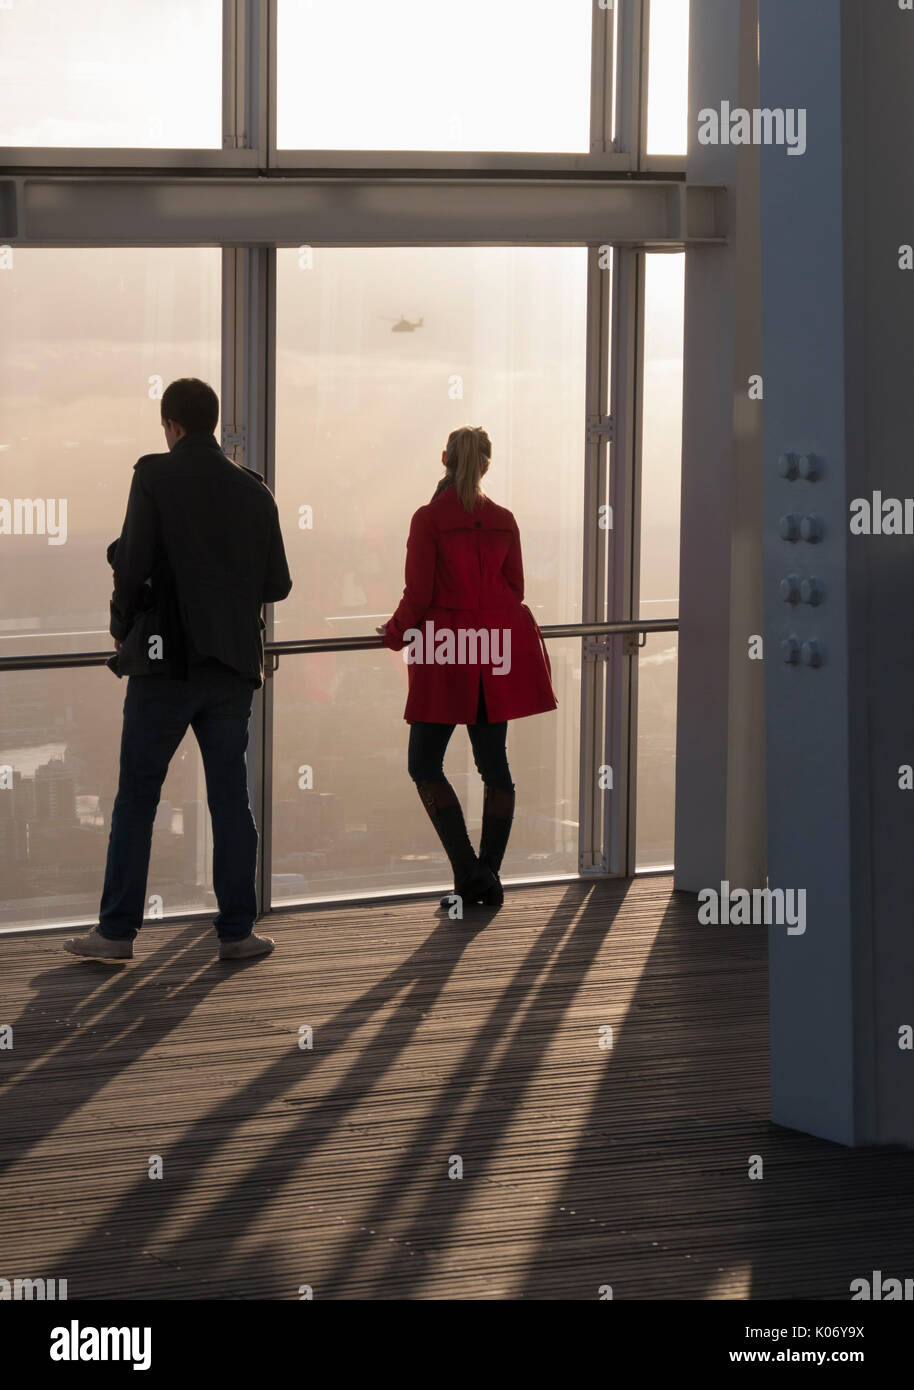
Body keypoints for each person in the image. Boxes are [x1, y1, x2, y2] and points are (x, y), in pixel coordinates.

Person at [65, 378, 292, 964]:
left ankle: (116, 935)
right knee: (230, 800)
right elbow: (277, 585)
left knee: (137, 798)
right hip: (231, 666)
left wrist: (120, 625)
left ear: (170, 426)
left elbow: (132, 567)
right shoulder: (254, 491)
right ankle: (237, 932)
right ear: (212, 424)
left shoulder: (154, 477)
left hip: (164, 667)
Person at [380, 426, 557, 913]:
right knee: (494, 765)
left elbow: (417, 595)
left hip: (445, 651)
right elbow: (515, 588)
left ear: (444, 459)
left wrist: (394, 633)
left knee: (424, 763)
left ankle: (468, 872)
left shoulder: (428, 518)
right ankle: (488, 875)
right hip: (495, 648)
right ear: (486, 465)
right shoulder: (503, 519)